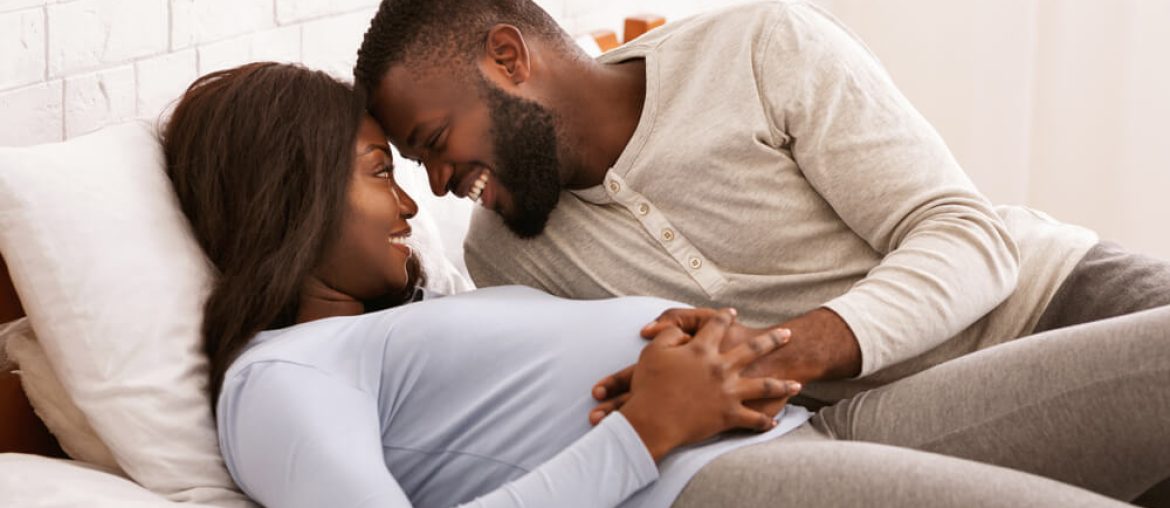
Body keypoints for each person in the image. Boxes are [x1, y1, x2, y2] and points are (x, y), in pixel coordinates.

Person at [161, 62, 1137, 508]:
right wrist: (644, 431)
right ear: (288, 194)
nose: (412, 206)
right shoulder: (280, 379)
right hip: (707, 479)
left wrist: (685, 347)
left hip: (812, 419)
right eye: (380, 171)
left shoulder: (425, 311)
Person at [353, 0, 1170, 505]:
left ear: (509, 58)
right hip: (889, 429)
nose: (436, 182)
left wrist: (779, 349)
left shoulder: (757, 48)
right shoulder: (504, 256)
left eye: (432, 142)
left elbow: (964, 235)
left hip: (1050, 300)